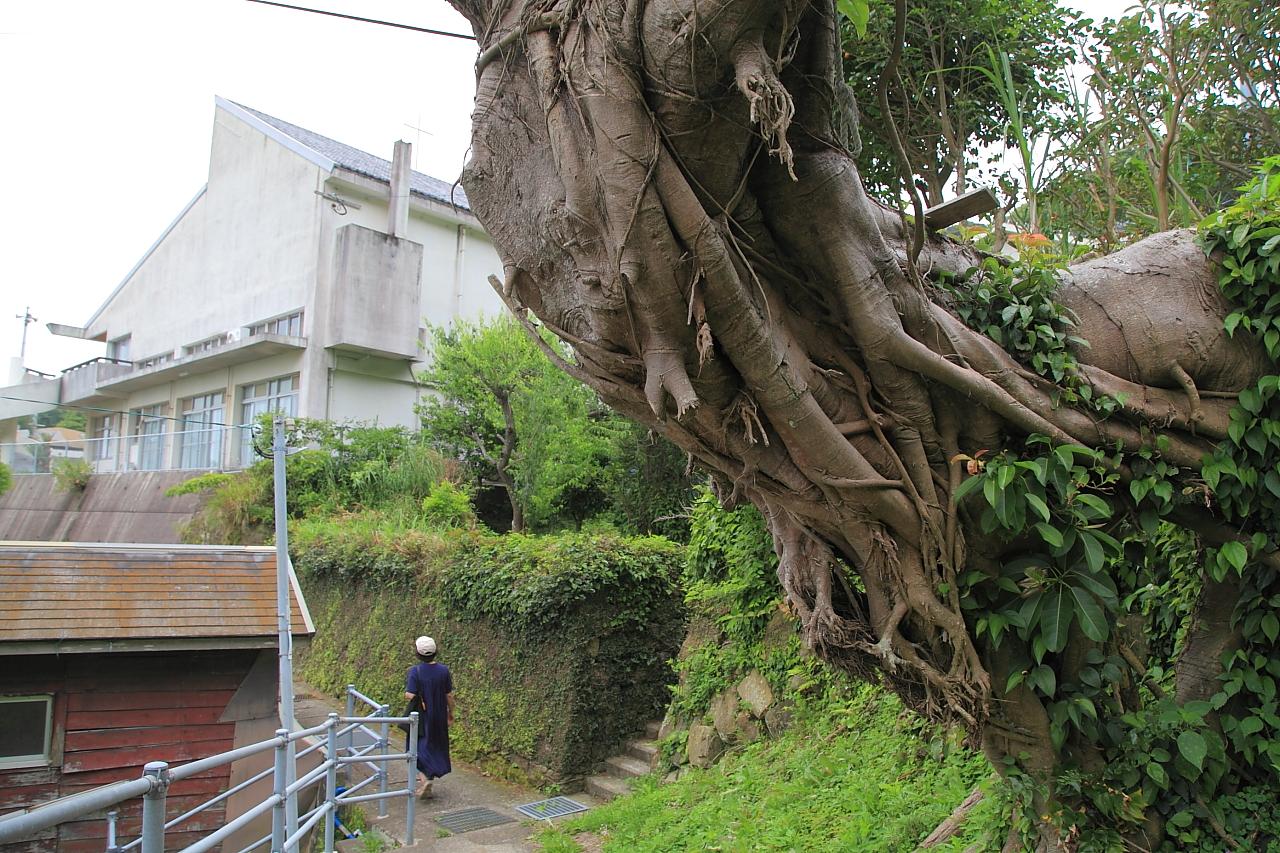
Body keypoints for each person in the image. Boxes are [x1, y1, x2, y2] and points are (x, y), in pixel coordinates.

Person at [404, 635, 455, 798]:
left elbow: (410, 694)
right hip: (439, 715)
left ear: (418, 653)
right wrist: (450, 713)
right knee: (434, 745)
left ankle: (425, 779)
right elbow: (449, 695)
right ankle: (428, 780)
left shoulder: (415, 671)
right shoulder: (444, 670)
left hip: (422, 716)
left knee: (416, 747)